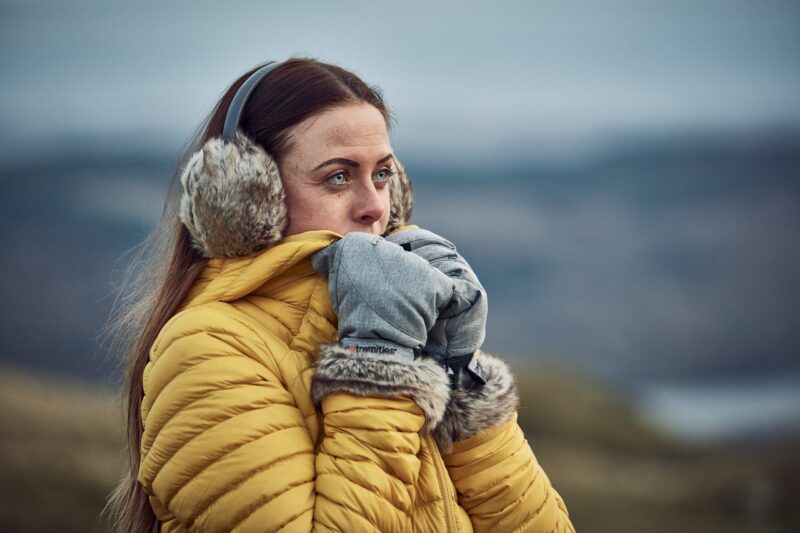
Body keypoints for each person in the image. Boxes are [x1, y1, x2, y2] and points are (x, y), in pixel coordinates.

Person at [104, 57, 574, 532]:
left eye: (383, 175)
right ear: (249, 198)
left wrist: (457, 375)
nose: (374, 206)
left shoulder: (400, 322)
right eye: (338, 177)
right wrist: (378, 362)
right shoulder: (207, 350)